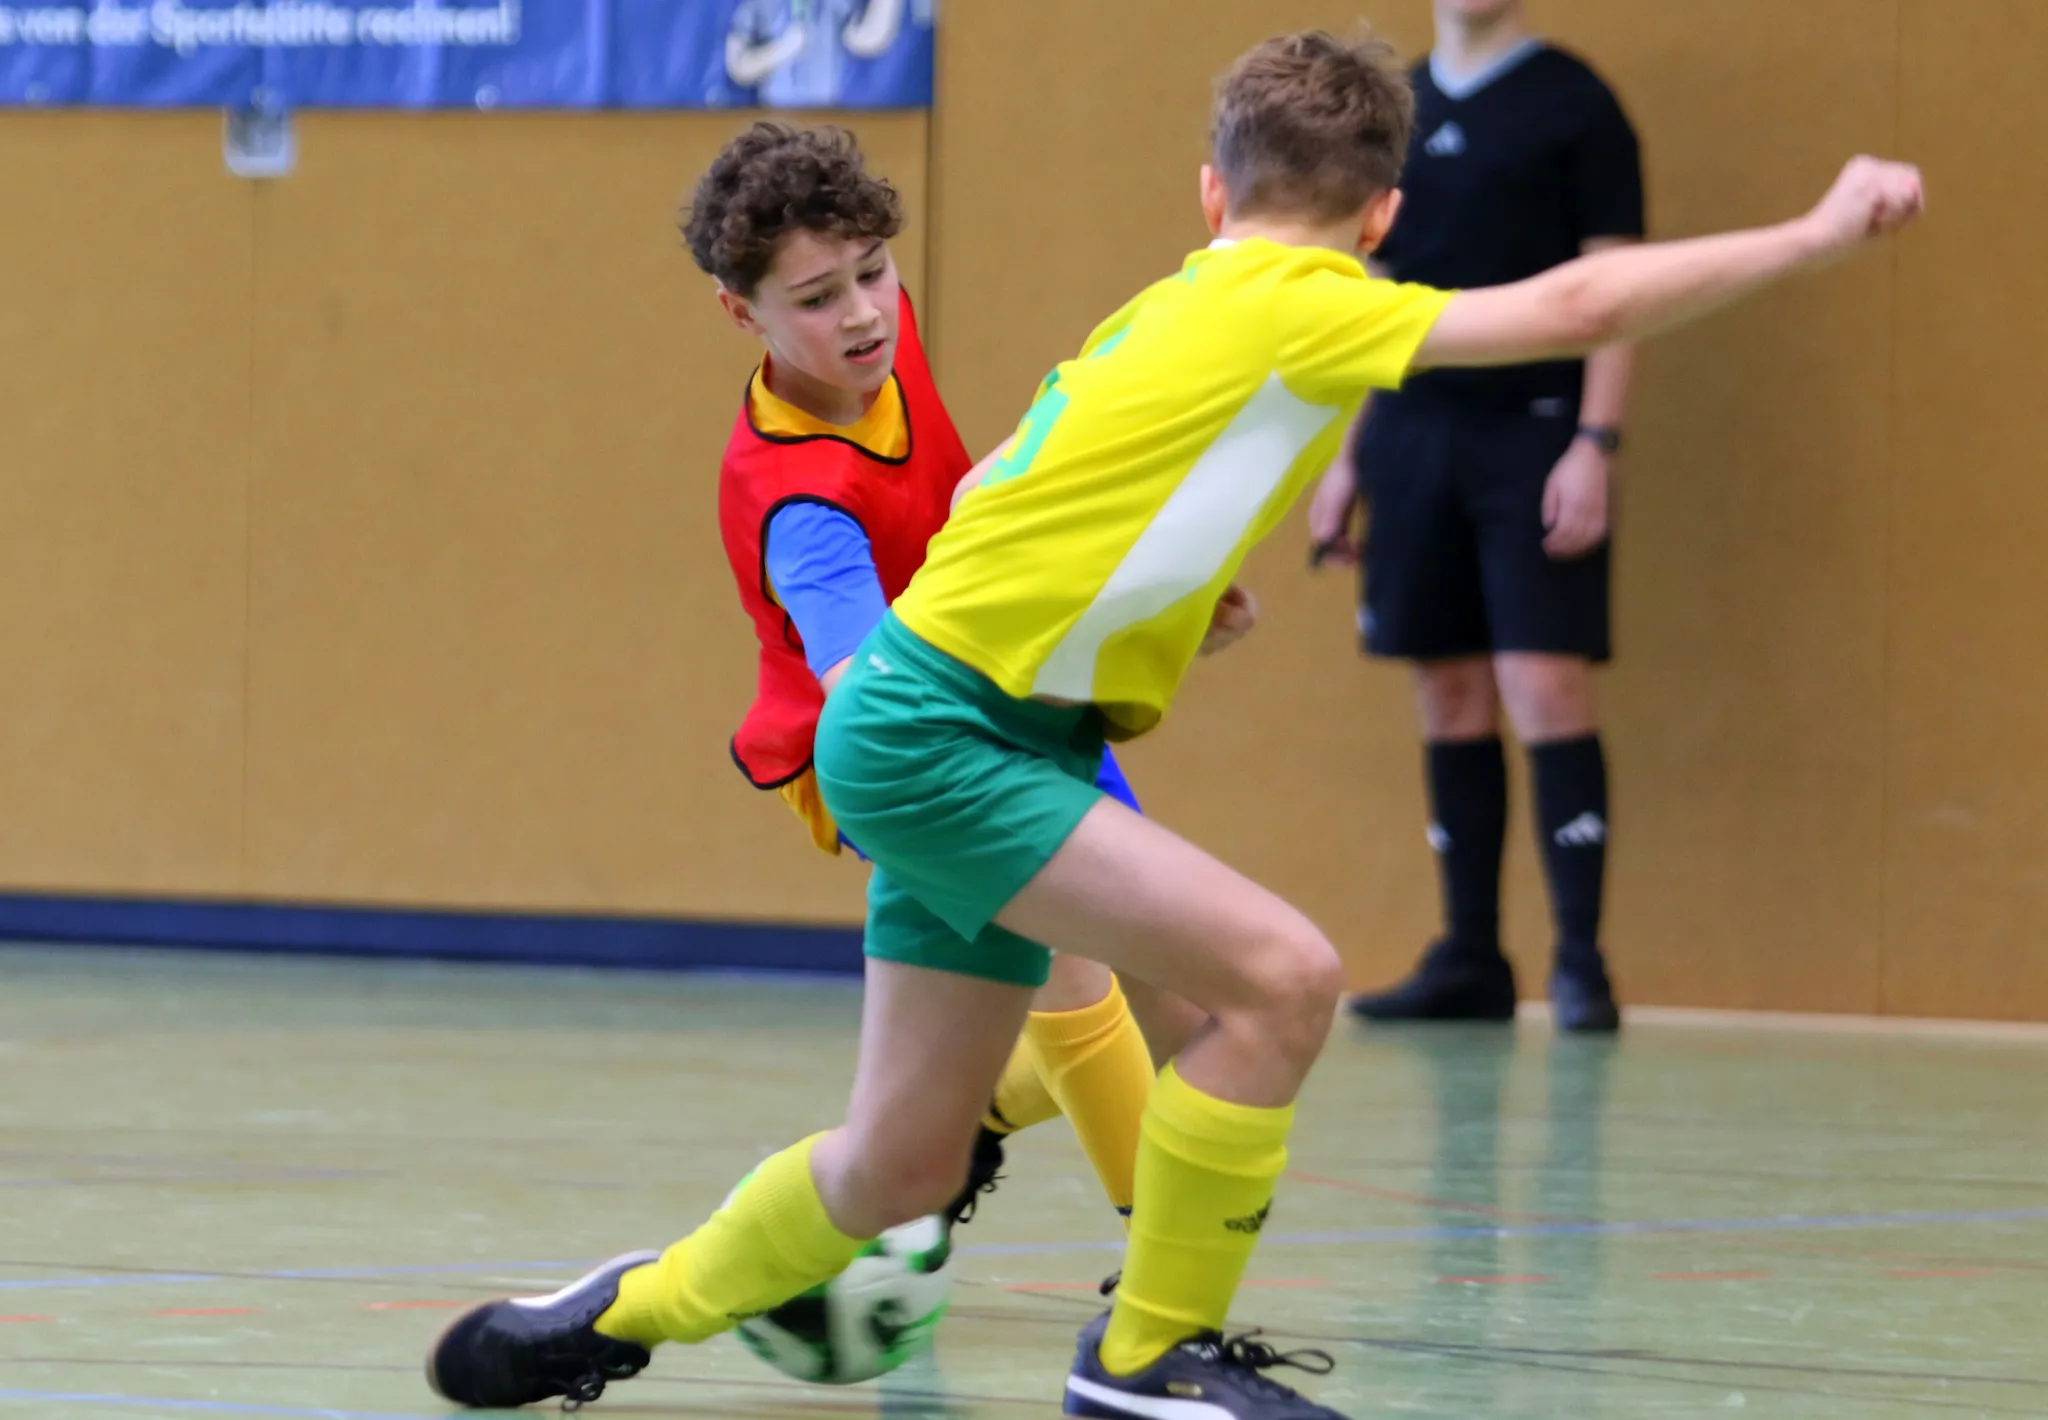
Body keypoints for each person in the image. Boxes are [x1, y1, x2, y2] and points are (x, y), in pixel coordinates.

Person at [422, 27, 1921, 1420]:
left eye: (870, 279)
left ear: (1212, 191)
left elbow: (1013, 472)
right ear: (1384, 217)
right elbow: (1573, 308)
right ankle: (1147, 1358)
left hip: (950, 731)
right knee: (1282, 980)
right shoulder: (1315, 301)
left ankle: (611, 1314)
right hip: (943, 737)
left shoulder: (1173, 303)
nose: (863, 311)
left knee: (899, 1165)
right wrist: (1814, 233)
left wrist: (1164, 591)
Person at [701, 120, 1191, 1229]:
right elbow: (870, 695)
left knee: (1165, 972)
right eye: (817, 298)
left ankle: (961, 1126)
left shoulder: (875, 335)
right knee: (1073, 974)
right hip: (890, 746)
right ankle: (1161, 1274)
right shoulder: (801, 505)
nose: (862, 313)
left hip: (1003, 694)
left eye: (874, 272)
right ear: (741, 313)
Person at [1309, 0, 1645, 1033]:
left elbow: (1617, 289)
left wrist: (1594, 442)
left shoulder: (1575, 103)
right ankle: (1470, 956)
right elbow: (1373, 302)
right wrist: (1348, 456)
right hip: (1415, 433)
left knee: (1541, 681)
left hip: (1534, 430)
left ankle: (1579, 961)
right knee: (1446, 685)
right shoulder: (1393, 109)